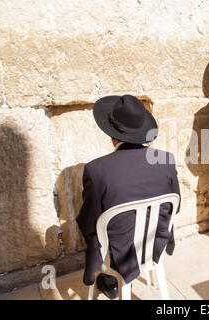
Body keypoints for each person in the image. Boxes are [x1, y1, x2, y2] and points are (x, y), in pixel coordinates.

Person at [76, 94, 180, 299]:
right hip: (152, 245)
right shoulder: (166, 161)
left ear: (112, 135)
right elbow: (175, 206)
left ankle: (109, 280)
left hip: (118, 252)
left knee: (90, 227)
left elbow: (89, 224)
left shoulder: (96, 170)